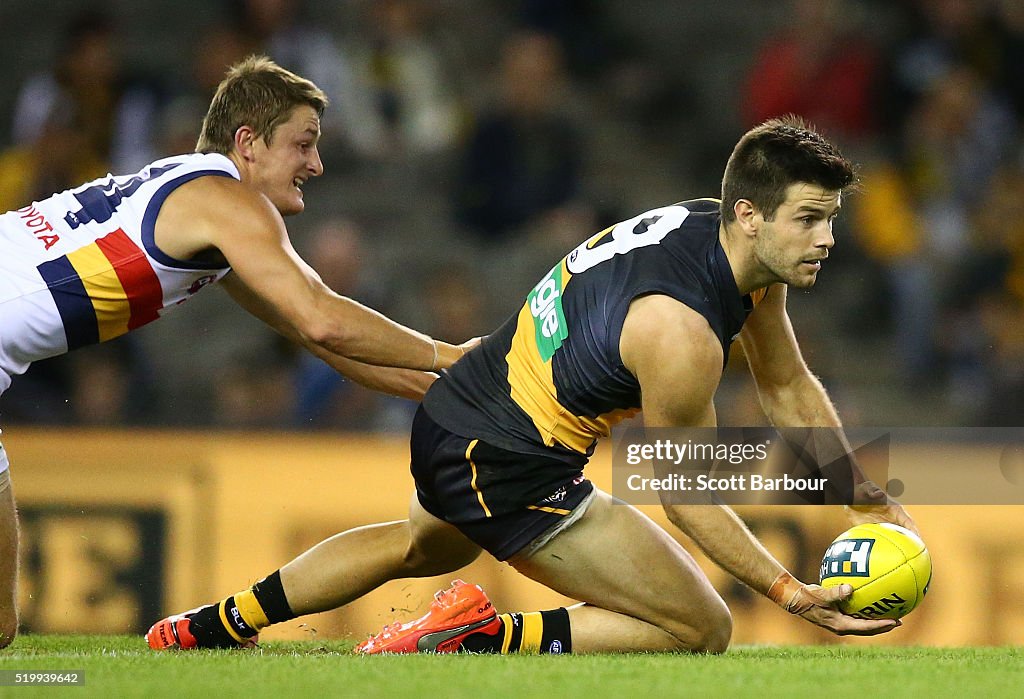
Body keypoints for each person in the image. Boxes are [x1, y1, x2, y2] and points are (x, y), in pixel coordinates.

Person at [147, 116, 917, 655]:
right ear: (751, 214)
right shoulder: (679, 332)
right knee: (701, 627)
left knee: (416, 545)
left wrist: (861, 492)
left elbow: (785, 385)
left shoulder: (718, 237)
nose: (827, 239)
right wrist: (787, 589)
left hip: (471, 408)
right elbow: (682, 489)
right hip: (508, 458)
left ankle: (214, 623)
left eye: (832, 218)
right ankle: (480, 635)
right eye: (811, 218)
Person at [0, 55, 476, 649]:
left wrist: (455, 394)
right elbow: (323, 317)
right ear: (248, 142)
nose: (316, 164)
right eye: (303, 145)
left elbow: (316, 339)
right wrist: (452, 357)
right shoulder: (226, 200)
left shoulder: (201, 202)